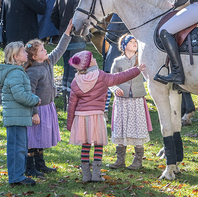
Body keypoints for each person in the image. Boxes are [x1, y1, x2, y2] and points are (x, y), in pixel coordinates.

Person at [67, 50, 146, 182]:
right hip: (96, 116)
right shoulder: (101, 76)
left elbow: (72, 104)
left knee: (85, 145)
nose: (94, 58)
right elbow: (119, 77)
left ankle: (86, 175)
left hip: (81, 117)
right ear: (88, 63)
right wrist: (136, 70)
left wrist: (70, 124)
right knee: (98, 145)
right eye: (91, 58)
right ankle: (96, 175)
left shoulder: (76, 81)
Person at [24, 20, 73, 176]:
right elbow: (29, 94)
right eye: (42, 50)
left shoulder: (48, 62)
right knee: (32, 140)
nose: (46, 51)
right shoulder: (32, 72)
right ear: (33, 56)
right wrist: (34, 113)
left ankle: (40, 164)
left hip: (47, 107)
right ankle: (29, 167)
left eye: (45, 48)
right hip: (37, 109)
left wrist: (67, 33)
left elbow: (60, 49)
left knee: (40, 138)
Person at [0, 42, 41, 186]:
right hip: (16, 117)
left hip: (19, 117)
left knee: (19, 148)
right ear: (16, 56)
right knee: (17, 149)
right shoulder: (15, 72)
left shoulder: (17, 71)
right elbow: (19, 95)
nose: (26, 54)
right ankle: (16, 178)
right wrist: (35, 100)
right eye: (23, 52)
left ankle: (17, 176)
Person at [109, 34, 152, 170]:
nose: (134, 43)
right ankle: (120, 159)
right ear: (124, 45)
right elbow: (111, 80)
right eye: (131, 42)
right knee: (121, 127)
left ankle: (138, 160)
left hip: (137, 99)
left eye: (135, 41)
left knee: (137, 126)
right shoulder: (118, 61)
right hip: (122, 100)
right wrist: (115, 89)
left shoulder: (142, 60)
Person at [50, 0, 86, 111]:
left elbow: (53, 16)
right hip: (78, 39)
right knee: (76, 72)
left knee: (66, 71)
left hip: (64, 38)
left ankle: (66, 104)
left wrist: (62, 28)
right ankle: (73, 105)